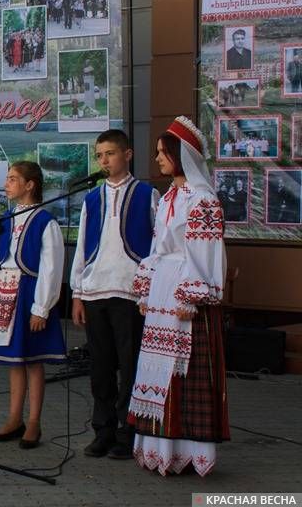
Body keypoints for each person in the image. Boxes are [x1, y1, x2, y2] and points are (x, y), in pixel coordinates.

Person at [128, 116, 229, 476]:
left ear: (180, 155)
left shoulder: (202, 200)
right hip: (163, 289)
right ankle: (160, 448)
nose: (157, 159)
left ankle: (188, 448)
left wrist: (191, 294)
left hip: (185, 291)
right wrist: (147, 283)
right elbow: (158, 247)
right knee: (159, 370)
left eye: (161, 152)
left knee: (185, 371)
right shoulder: (170, 196)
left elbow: (205, 250)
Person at [70, 130, 159, 460]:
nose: (104, 160)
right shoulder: (92, 199)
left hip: (130, 293)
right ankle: (102, 429)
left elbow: (159, 246)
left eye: (110, 153)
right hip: (96, 291)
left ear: (128, 155)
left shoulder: (148, 194)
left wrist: (151, 289)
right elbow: (81, 248)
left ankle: (127, 432)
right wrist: (77, 293)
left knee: (130, 365)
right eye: (100, 155)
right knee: (101, 367)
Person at [0, 161, 67, 449]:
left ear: (30, 184)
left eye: (12, 179)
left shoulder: (44, 222)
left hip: (30, 292)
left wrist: (41, 307)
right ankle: (14, 417)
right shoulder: (7, 219)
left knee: (33, 361)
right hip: (8, 291)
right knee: (14, 361)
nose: (6, 184)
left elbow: (51, 267)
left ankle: (34, 420)